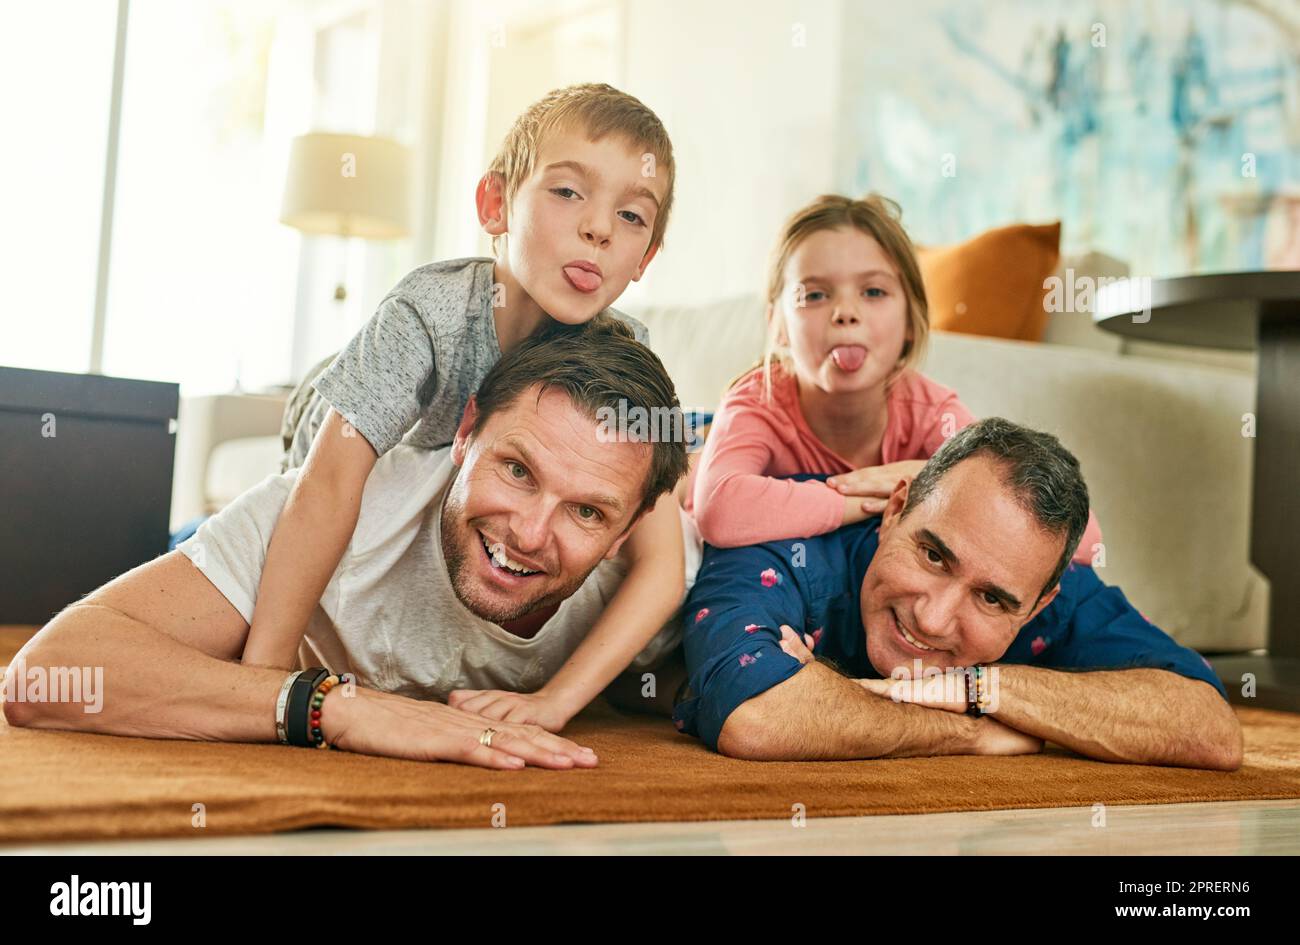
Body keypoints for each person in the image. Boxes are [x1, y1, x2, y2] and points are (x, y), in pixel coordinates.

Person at [5, 318, 695, 769]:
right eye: (516, 470)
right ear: (465, 432)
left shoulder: (647, 590)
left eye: (586, 512)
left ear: (628, 534)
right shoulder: (340, 510)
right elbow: (44, 676)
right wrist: (334, 705)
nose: (531, 533)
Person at [244, 83, 688, 736]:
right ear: (496, 202)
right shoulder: (431, 315)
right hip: (331, 423)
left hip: (454, 480)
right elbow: (326, 483)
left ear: (646, 257)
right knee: (254, 544)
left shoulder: (624, 357)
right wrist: (263, 678)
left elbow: (661, 561)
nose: (598, 228)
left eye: (631, 217)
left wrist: (556, 701)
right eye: (569, 192)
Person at [674, 417, 1242, 771]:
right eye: (934, 555)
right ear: (895, 510)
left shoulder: (1048, 586)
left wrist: (979, 687)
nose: (933, 619)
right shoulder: (782, 531)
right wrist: (971, 731)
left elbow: (1210, 729)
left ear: (1041, 604)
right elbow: (755, 717)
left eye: (992, 600)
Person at [687, 193, 1103, 560]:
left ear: (910, 320)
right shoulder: (758, 400)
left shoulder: (930, 411)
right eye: (814, 295)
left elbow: (1084, 540)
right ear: (777, 324)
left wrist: (920, 474)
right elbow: (719, 512)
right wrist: (883, 492)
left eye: (873, 292)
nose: (845, 312)